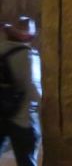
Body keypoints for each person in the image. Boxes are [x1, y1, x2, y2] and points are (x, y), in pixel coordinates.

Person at [0, 16, 41, 166]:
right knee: (26, 160)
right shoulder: (28, 55)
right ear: (30, 36)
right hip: (22, 118)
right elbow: (32, 88)